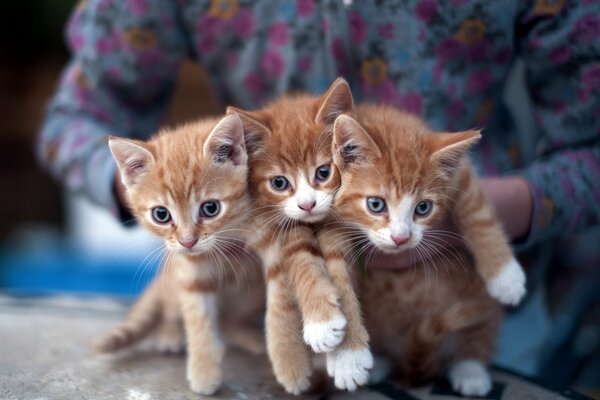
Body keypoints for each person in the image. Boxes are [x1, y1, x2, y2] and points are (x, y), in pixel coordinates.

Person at [38, 0, 599, 378]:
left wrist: (499, 213)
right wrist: (178, 205)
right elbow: (74, 122)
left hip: (469, 306)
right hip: (259, 310)